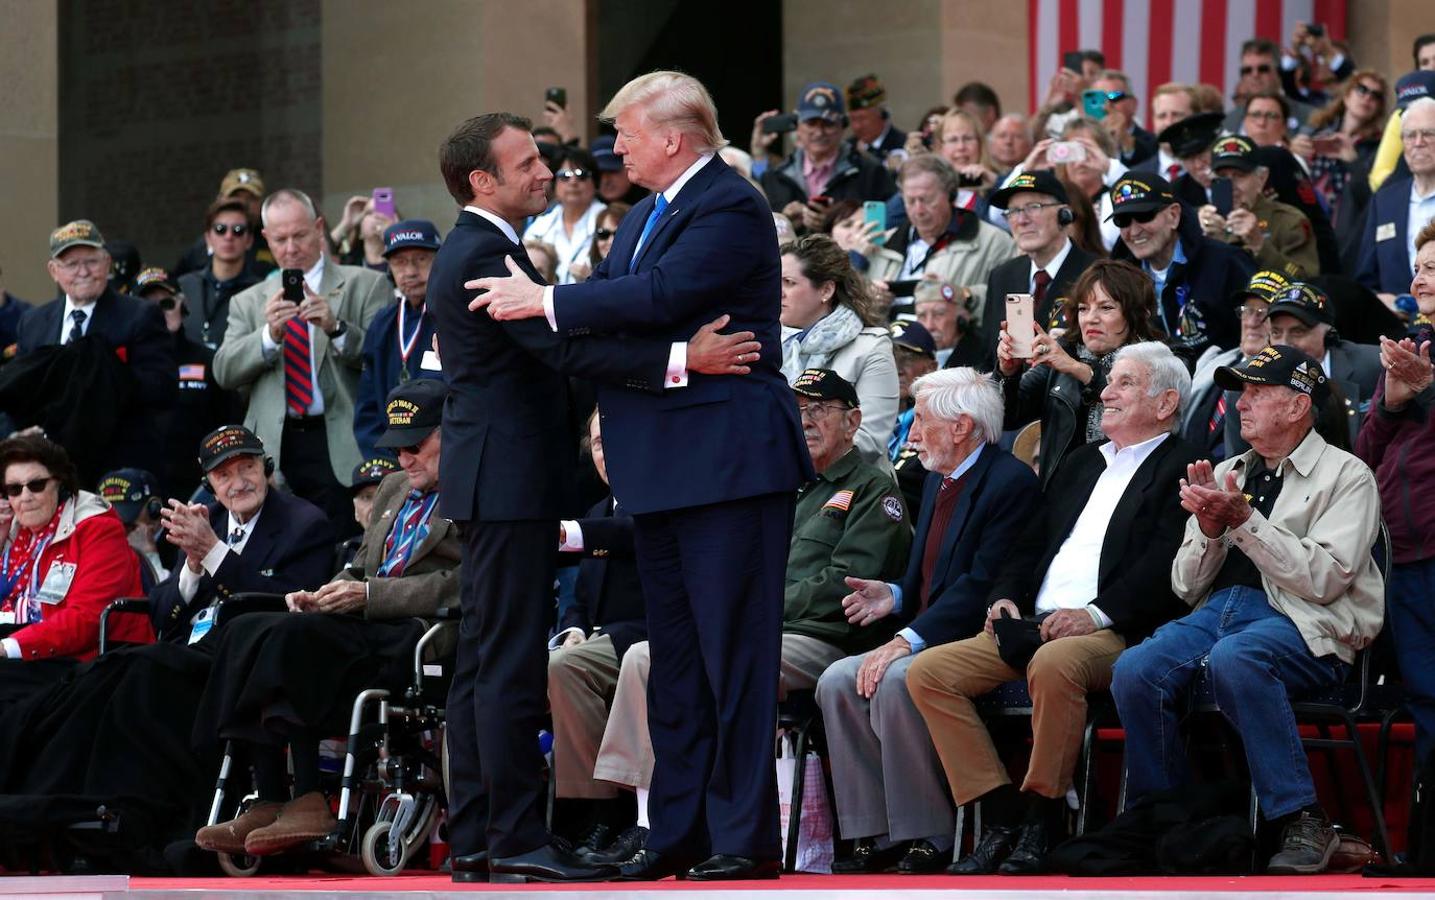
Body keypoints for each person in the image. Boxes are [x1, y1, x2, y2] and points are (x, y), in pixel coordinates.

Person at [433, 96, 791, 882]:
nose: (598, 157)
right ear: (481, 180)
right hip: (651, 470)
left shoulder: (728, 202)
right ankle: (671, 828)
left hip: (724, 465)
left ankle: (737, 834)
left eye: (623, 135)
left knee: (727, 657)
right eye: (528, 161)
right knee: (668, 664)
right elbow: (596, 333)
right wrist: (675, 359)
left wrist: (552, 301)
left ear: (671, 137)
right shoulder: (632, 218)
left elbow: (657, 297)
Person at [581, 369, 912, 869]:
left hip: (816, 637)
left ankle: (698, 827)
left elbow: (843, 586)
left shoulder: (871, 489)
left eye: (818, 410)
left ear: (854, 420)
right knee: (653, 659)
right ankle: (653, 819)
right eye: (796, 410)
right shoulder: (784, 482)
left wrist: (744, 604)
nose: (804, 421)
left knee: (723, 665)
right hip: (749, 622)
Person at [909, 342, 1198, 875]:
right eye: (1110, 382)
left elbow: (1166, 568)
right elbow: (1029, 544)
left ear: (1165, 403)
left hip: (1115, 632)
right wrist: (1005, 597)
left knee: (1055, 663)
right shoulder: (1082, 461)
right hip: (1033, 623)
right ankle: (1001, 813)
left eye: (1125, 383)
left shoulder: (1185, 464)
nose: (1106, 393)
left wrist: (1097, 614)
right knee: (929, 671)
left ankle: (1043, 816)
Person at [0, 425, 333, 870]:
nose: (237, 483)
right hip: (184, 651)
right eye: (223, 475)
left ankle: (136, 821)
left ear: (265, 466)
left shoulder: (302, 522)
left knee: (135, 670)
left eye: (247, 468)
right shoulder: (208, 519)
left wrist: (213, 553)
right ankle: (68, 815)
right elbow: (160, 612)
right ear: (209, 482)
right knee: (97, 678)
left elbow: (293, 604)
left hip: (243, 660)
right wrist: (192, 569)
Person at [1113, 343, 1384, 874]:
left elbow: (1324, 581)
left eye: (1257, 393)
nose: (1240, 404)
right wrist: (1212, 533)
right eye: (1241, 392)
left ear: (1297, 405)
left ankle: (1301, 817)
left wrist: (1245, 522)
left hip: (1307, 624)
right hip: (1219, 613)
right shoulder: (1225, 469)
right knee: (1134, 670)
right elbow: (1185, 586)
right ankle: (1168, 821)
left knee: (1239, 658)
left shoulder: (1347, 475)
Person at [193, 380, 459, 858]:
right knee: (246, 625)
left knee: (295, 638)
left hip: (416, 633)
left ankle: (309, 795)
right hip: (362, 622)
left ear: (452, 432)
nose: (403, 460)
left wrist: (369, 595)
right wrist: (322, 593)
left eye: (416, 446)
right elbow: (359, 563)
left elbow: (465, 582)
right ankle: (270, 796)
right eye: (397, 448)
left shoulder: (477, 487)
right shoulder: (395, 487)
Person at [816, 367, 1039, 874]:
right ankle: (871, 830)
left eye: (922, 420)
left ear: (962, 427)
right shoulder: (937, 476)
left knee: (897, 678)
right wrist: (893, 595)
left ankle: (928, 831)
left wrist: (906, 638)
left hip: (970, 635)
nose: (910, 433)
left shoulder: (1008, 483)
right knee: (836, 680)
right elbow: (935, 577)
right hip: (927, 627)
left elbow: (979, 585)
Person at [212, 188, 392, 533]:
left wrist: (336, 328)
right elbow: (224, 371)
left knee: (348, 546)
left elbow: (382, 360)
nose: (291, 248)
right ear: (265, 238)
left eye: (299, 235)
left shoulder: (366, 284)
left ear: (319, 228)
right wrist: (268, 336)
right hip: (276, 448)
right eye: (280, 239)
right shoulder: (247, 302)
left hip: (343, 439)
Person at [547, 410, 647, 854]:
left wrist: (562, 532)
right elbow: (576, 598)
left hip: (650, 636)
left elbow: (630, 534)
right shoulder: (597, 510)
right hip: (601, 642)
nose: (607, 454)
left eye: (615, 439)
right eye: (599, 444)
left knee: (564, 667)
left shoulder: (659, 500)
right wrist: (571, 628)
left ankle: (599, 811)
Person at [13, 220, 176, 484]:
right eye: (71, 264)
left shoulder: (139, 315)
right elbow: (18, 394)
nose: (83, 272)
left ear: (107, 263)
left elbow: (162, 387)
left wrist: (102, 374)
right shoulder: (32, 322)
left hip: (117, 469)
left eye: (91, 261)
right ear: (54, 271)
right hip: (49, 472)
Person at [1356, 219, 1435, 762]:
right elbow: (1364, 455)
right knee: (1424, 696)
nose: (1418, 281)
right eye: (1416, 269)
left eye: (1432, 269)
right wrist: (1392, 403)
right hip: (1400, 553)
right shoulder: (1412, 348)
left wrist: (1427, 389)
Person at [997, 260, 1161, 489]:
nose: (1091, 318)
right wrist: (1008, 372)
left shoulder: (1165, 358)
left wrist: (1077, 369)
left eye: (1106, 308)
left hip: (1132, 493)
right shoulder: (1064, 353)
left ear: (1137, 314)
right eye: (1084, 308)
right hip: (1064, 495)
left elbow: (1146, 406)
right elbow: (1007, 416)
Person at [0, 434, 148, 684]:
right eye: (14, 489)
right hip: (22, 647)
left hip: (81, 662)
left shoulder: (97, 528)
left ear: (59, 482)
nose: (25, 497)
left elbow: (87, 619)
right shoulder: (14, 529)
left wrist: (9, 647)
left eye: (36, 485)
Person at [1108, 173, 1254, 360]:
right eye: (1123, 221)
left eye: (1144, 216)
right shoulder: (1116, 279)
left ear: (1173, 215)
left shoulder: (1227, 263)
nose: (1134, 231)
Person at [780, 234, 898, 466]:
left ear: (826, 290)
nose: (778, 292)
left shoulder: (871, 347)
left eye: (789, 283)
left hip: (850, 494)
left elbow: (868, 441)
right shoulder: (769, 344)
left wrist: (777, 452)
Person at [1223, 282, 1383, 449]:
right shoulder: (1244, 379)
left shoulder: (1373, 366)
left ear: (1328, 333)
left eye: (1297, 332)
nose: (1284, 343)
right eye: (1276, 333)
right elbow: (1238, 464)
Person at [864, 154, 1016, 328]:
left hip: (958, 349)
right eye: (910, 201)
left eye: (927, 200)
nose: (918, 210)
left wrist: (963, 295)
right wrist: (873, 302)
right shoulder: (883, 244)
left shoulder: (994, 242)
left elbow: (1009, 305)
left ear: (951, 195)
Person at [132, 266, 240, 495]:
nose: (159, 313)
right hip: (138, 491)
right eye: (147, 307)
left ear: (182, 306)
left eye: (167, 304)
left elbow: (231, 422)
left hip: (199, 487)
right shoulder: (122, 361)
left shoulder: (209, 360)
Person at [981, 170, 1099, 367]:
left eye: (1033, 207)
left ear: (1064, 214)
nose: (1021, 220)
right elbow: (987, 355)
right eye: (1013, 211)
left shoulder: (1096, 273)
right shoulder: (1002, 275)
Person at [353, 220, 443, 461]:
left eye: (421, 259)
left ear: (439, 260)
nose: (410, 271)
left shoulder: (453, 315)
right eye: (400, 262)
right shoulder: (382, 323)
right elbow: (367, 406)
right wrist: (386, 465)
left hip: (445, 458)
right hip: (394, 463)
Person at [758, 82, 897, 233]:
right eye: (811, 123)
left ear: (842, 125)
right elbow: (760, 230)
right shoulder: (775, 176)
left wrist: (849, 217)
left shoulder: (871, 172)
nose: (819, 132)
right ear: (797, 126)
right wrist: (784, 222)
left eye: (828, 124)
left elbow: (893, 222)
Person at [1183, 270, 1289, 459]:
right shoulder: (1213, 362)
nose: (1251, 321)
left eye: (1264, 313)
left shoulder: (1285, 383)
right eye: (1247, 311)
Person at [1198, 135, 1320, 277]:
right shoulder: (1201, 222)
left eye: (1239, 175)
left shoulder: (1289, 221)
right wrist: (1203, 240)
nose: (1231, 186)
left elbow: (1305, 281)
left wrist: (1259, 245)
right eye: (1222, 176)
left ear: (1262, 178)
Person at [1356, 97, 1435, 305]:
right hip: (1395, 331)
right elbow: (1365, 281)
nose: (1418, 142)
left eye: (1428, 133)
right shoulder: (1384, 201)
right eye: (1410, 135)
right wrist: (1381, 302)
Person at [176, 199, 264, 351]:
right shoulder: (183, 285)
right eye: (220, 229)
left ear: (249, 240)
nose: (229, 236)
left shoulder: (260, 291)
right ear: (208, 238)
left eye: (238, 230)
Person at [1298, 70, 1388, 216]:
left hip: (1347, 221)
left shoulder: (1379, 146)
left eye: (1376, 96)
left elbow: (1373, 193)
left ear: (1378, 108)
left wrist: (1353, 161)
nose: (1367, 97)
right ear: (1346, 96)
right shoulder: (1315, 130)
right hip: (1307, 214)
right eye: (1361, 89)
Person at [172, 168, 276, 279]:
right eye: (235, 196)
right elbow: (175, 280)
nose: (244, 203)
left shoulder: (274, 240)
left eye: (250, 198)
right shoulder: (203, 246)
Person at [524, 147, 608, 284]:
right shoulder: (540, 226)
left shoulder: (611, 223)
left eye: (582, 175)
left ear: (596, 183)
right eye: (565, 176)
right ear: (554, 183)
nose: (573, 182)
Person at [96, 466, 170, 589]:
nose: (117, 529)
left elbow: (167, 602)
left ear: (154, 509)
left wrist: (149, 556)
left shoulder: (182, 546)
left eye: (127, 524)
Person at [1222, 39, 1315, 135]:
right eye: (1247, 70)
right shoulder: (1231, 118)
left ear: (1279, 72)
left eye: (1263, 69)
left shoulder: (1309, 116)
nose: (1255, 75)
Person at [1091, 70, 1157, 166]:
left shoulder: (1153, 143)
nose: (1106, 106)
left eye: (1114, 97)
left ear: (1133, 104)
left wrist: (1125, 139)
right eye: (1098, 100)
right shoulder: (1080, 141)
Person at [916, 280, 985, 370]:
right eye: (922, 315)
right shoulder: (910, 356)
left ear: (962, 318)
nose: (929, 326)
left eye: (939, 314)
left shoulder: (985, 356)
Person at [1134, 83, 1197, 181]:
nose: (1168, 123)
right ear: (1153, 120)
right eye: (1162, 116)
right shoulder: (1136, 176)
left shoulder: (1212, 173)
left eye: (1177, 115)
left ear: (1195, 119)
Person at [847, 74, 908, 169]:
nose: (857, 126)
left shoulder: (904, 145)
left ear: (882, 115)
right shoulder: (847, 149)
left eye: (862, 118)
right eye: (853, 119)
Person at [571, 202, 630, 283]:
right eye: (603, 234)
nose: (611, 241)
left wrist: (590, 278)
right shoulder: (586, 263)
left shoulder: (637, 271)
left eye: (618, 234)